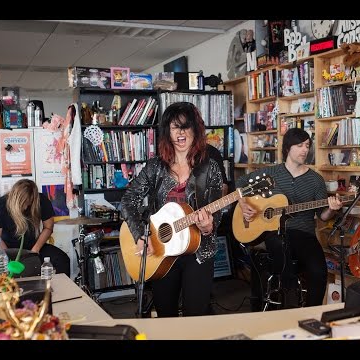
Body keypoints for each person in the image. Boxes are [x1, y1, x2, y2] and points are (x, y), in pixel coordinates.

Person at [121, 102, 223, 318]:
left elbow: (217, 213)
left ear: (196, 130)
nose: (180, 133)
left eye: (185, 126)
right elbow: (128, 201)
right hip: (161, 250)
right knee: (165, 314)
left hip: (198, 251)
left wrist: (207, 226)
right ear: (167, 131)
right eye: (174, 127)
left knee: (195, 315)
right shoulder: (155, 167)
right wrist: (140, 235)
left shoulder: (210, 167)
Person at [236, 128, 342, 309]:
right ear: (287, 148)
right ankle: (289, 293)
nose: (304, 150)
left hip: (304, 234)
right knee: (278, 242)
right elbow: (240, 184)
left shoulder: (315, 180)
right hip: (274, 233)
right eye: (299, 145)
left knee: (318, 271)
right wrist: (244, 204)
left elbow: (323, 217)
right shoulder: (271, 174)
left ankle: (311, 314)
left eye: (307, 146)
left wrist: (332, 210)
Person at [0, 179, 70, 275]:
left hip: (34, 245)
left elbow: (48, 227)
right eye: (23, 203)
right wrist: (8, 257)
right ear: (14, 198)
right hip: (9, 248)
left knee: (62, 259)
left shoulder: (41, 200)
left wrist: (35, 251)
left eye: (28, 203)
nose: (25, 207)